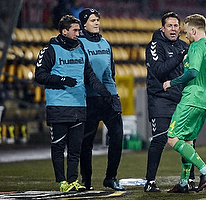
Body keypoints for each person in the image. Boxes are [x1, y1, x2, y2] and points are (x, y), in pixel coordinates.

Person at [35, 15, 112, 192]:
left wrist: (104, 92)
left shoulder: (80, 49)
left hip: (79, 105)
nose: (79, 33)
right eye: (75, 30)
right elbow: (39, 75)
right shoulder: (50, 50)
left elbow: (90, 76)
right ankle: (62, 182)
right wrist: (61, 79)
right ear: (64, 31)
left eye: (79, 30)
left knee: (75, 149)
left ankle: (73, 181)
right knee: (59, 146)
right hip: (58, 106)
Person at [163, 14, 206, 193]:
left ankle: (205, 170)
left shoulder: (196, 46)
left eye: (186, 32)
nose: (185, 36)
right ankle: (184, 183)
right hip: (204, 100)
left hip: (191, 98)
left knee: (172, 138)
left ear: (194, 30)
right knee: (187, 140)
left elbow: (193, 72)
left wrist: (172, 82)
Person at [144, 11, 198, 192]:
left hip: (180, 98)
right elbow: (159, 71)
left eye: (176, 25)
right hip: (160, 98)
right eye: (170, 26)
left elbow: (187, 73)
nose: (173, 29)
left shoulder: (184, 46)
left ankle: (189, 180)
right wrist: (179, 55)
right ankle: (150, 182)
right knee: (159, 139)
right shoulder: (155, 46)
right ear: (163, 28)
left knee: (188, 140)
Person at [78, 8, 125, 191]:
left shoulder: (106, 43)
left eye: (97, 19)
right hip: (89, 98)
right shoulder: (79, 44)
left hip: (109, 96)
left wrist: (112, 96)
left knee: (117, 137)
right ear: (84, 24)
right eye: (92, 20)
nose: (96, 23)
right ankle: (87, 180)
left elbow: (109, 73)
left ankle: (111, 177)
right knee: (86, 142)